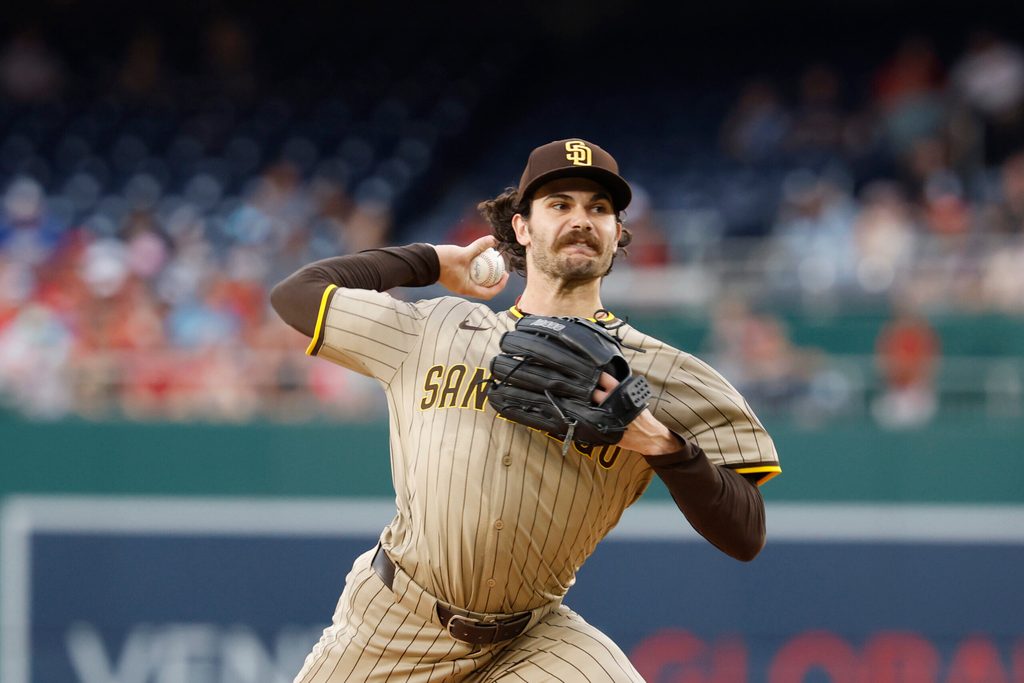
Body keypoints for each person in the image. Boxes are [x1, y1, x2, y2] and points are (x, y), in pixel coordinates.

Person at [270, 138, 782, 682]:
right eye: (560, 204)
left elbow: (745, 534)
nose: (581, 219)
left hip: (531, 639)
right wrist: (429, 260)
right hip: (393, 625)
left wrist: (663, 446)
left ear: (617, 236)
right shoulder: (435, 328)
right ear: (521, 228)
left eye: (599, 209)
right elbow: (296, 295)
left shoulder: (664, 375)